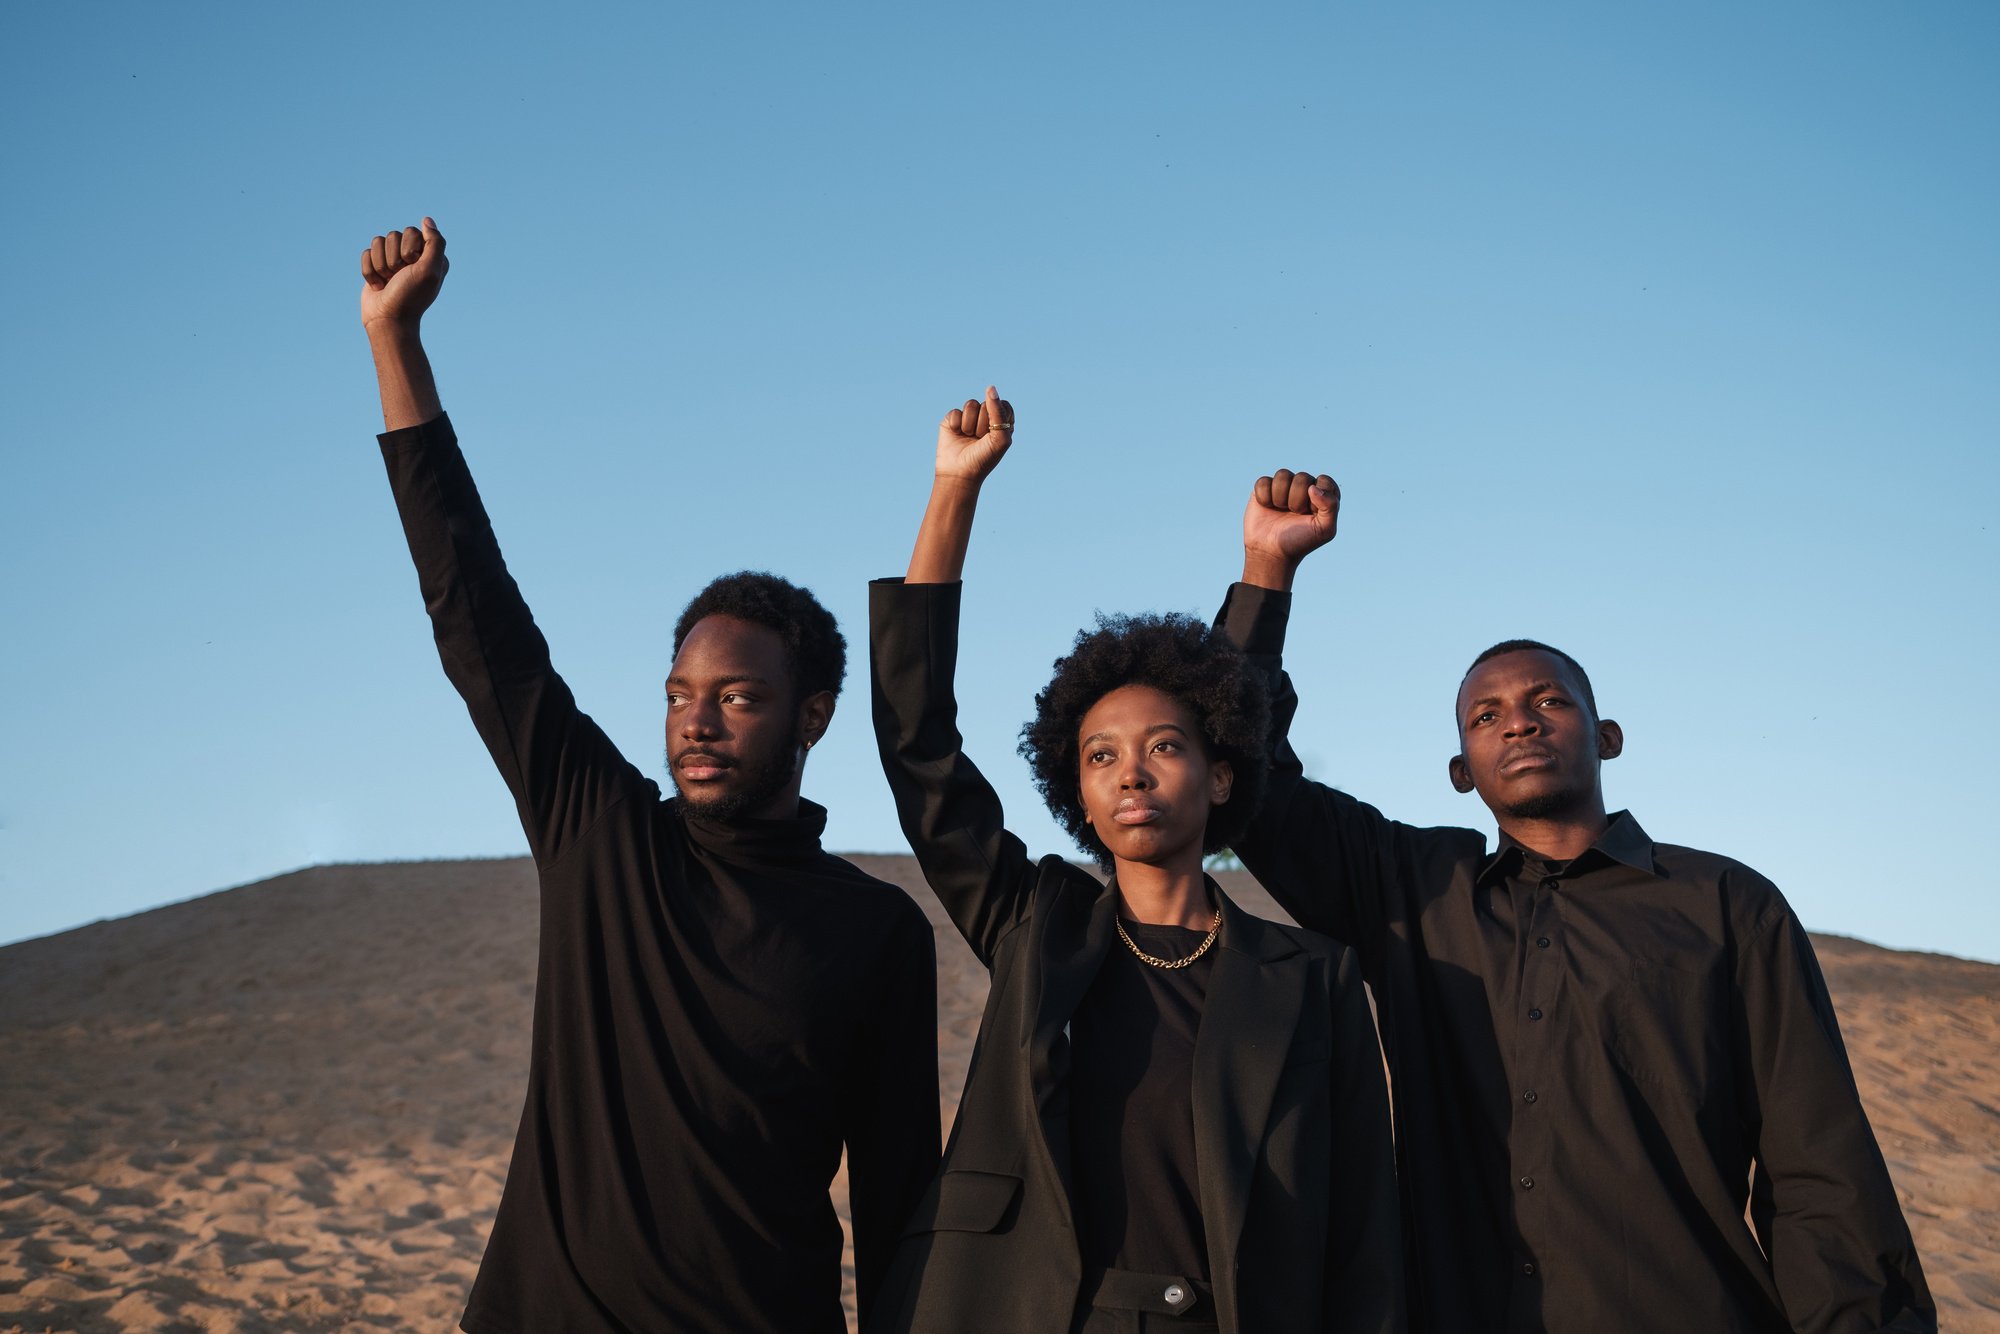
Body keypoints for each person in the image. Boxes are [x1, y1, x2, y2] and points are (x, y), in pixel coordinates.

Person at [359, 219, 940, 1334]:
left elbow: (900, 1193)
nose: (697, 721)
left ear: (812, 714)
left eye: (737, 695)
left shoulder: (874, 931)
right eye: (680, 693)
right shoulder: (602, 834)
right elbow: (474, 613)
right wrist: (397, 344)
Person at [1212, 469, 1936, 1334]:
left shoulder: (1726, 905)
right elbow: (1243, 780)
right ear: (1459, 772)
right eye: (1485, 716)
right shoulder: (1412, 891)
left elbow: (1820, 1173)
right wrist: (1267, 571)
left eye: (1548, 700)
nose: (1518, 721)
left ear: (1606, 735)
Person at [867, 393, 1404, 1334]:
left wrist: (1265, 570)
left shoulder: (1314, 979)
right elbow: (920, 749)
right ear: (1077, 792)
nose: (1131, 774)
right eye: (1101, 756)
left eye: (1165, 747)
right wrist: (953, 492)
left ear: (1222, 774)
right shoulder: (1036, 928)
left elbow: (1360, 1231)